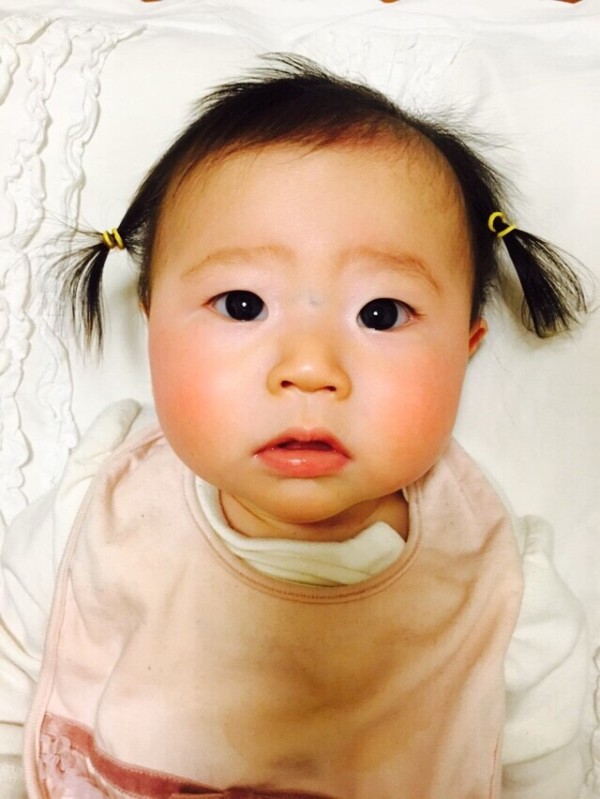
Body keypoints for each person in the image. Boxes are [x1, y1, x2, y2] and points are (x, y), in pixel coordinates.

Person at [0, 55, 589, 799]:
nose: (310, 369)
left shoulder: (505, 596)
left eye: (381, 314)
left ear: (464, 350)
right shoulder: (96, 506)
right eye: (243, 305)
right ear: (151, 323)